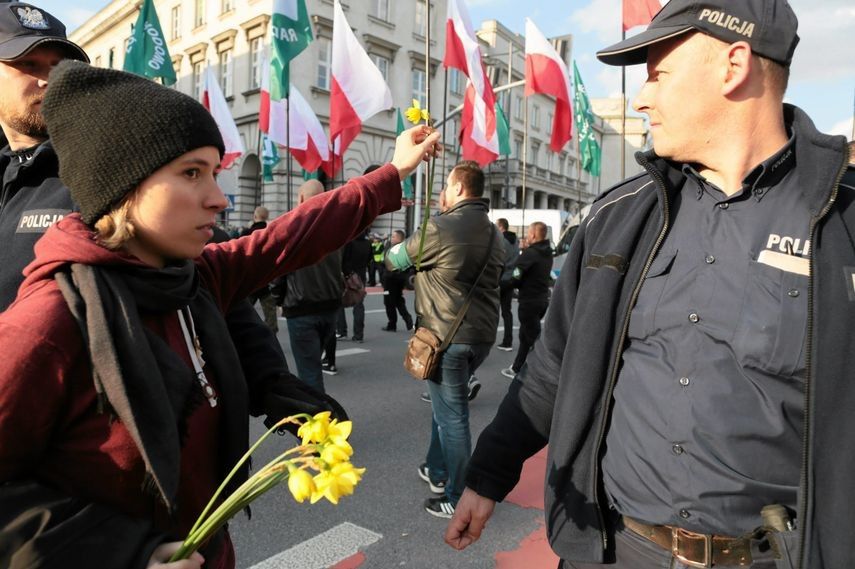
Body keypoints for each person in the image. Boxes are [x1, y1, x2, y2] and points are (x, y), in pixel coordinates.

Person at [446, 1, 855, 568]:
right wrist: (488, 474)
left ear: (732, 65)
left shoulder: (841, 222)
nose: (642, 96)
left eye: (658, 73)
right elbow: (552, 367)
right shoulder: (620, 215)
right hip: (618, 550)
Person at [0, 60, 440, 569]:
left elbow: (292, 236)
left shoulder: (197, 275)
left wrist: (394, 172)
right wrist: (124, 553)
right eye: (191, 173)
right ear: (122, 185)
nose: (216, 198)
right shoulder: (48, 323)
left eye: (213, 172)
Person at [386, 160, 504, 519]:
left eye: (446, 187)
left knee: (453, 419)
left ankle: (457, 495)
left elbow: (395, 259)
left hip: (445, 336)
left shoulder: (440, 227)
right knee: (445, 409)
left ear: (457, 188)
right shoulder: (496, 234)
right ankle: (435, 470)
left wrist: (401, 254)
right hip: (481, 336)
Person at [277, 180, 345, 385]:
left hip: (301, 307)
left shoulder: (291, 227)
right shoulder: (337, 229)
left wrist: (279, 298)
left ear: (300, 199)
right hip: (330, 305)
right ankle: (319, 412)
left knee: (309, 373)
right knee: (313, 367)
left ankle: (319, 415)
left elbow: (278, 272)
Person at [500, 221, 552, 379]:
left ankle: (530, 370)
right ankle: (518, 367)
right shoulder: (547, 253)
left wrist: (505, 285)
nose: (527, 236)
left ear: (534, 235)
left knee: (531, 338)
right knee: (527, 336)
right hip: (542, 299)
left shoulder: (530, 254)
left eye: (529, 233)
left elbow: (516, 275)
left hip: (529, 301)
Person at [239, 206, 279, 333]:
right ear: (266, 217)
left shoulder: (246, 233)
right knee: (270, 313)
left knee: (242, 312)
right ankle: (271, 336)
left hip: (249, 279)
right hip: (267, 278)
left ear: (255, 216)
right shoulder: (271, 233)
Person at [381, 229, 414, 332]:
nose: (392, 239)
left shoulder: (393, 249)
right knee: (398, 300)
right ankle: (408, 320)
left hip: (390, 279)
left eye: (394, 237)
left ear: (399, 238)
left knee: (388, 302)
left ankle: (392, 324)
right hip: (400, 279)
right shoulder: (405, 248)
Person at [495, 217, 519, 352]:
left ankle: (489, 339)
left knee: (493, 310)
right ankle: (508, 340)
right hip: (510, 280)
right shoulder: (516, 241)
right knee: (507, 311)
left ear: (500, 227)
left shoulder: (501, 241)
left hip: (500, 279)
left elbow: (498, 261)